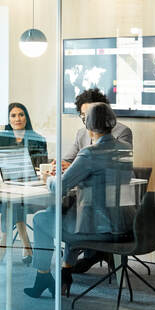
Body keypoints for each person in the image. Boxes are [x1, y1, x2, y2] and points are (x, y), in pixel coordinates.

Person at [24, 102, 135, 299]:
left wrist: (48, 178)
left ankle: (43, 276)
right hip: (123, 225)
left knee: (41, 220)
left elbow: (60, 187)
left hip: (96, 229)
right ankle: (65, 272)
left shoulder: (89, 153)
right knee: (61, 213)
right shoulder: (125, 148)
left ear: (89, 126)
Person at [59, 88, 133, 273]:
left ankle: (62, 271)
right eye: (83, 115)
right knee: (67, 210)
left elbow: (108, 166)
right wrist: (67, 166)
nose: (87, 120)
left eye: (90, 114)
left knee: (50, 218)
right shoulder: (82, 135)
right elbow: (69, 160)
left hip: (104, 207)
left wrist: (77, 169)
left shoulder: (122, 133)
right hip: (94, 203)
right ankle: (84, 257)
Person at [0, 102, 48, 263]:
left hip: (30, 191)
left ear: (26, 117)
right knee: (11, 201)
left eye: (21, 114)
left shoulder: (37, 139)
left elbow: (40, 166)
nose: (17, 118)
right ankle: (26, 245)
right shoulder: (4, 137)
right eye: (13, 115)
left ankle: (3, 242)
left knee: (11, 202)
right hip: (9, 187)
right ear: (8, 119)